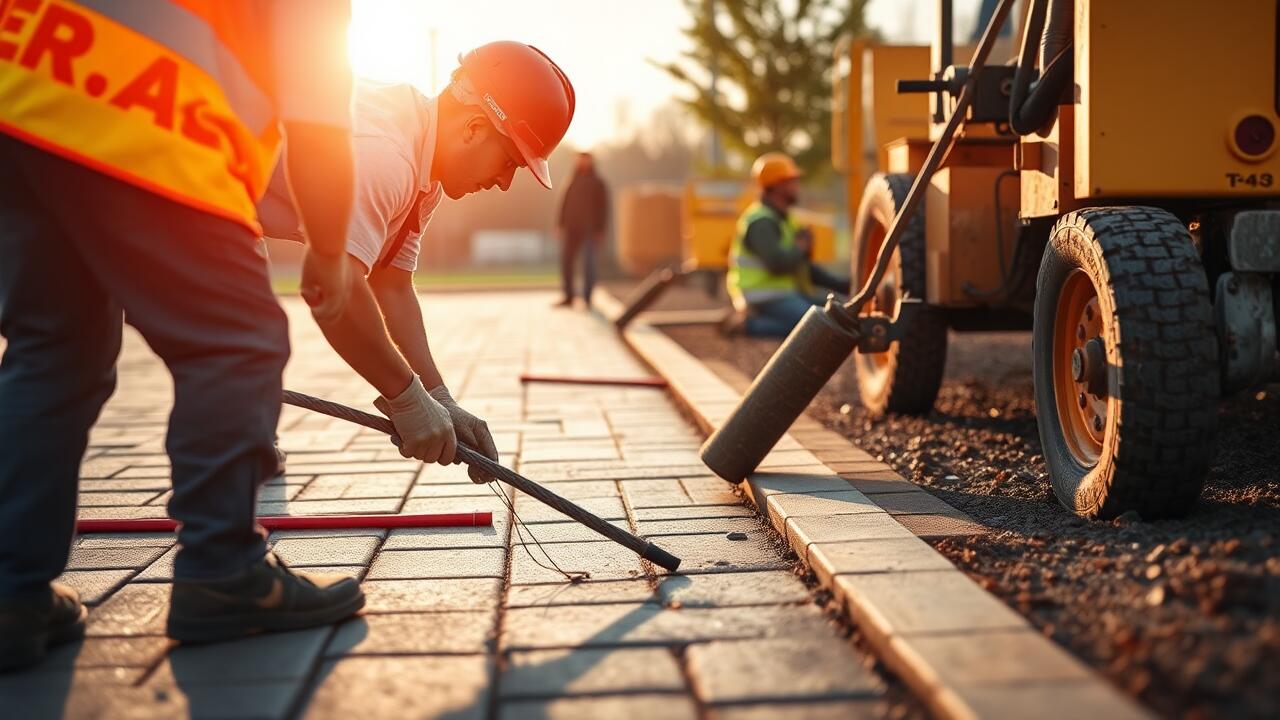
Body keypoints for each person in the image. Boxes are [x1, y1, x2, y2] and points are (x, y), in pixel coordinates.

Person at [0, 1, 364, 670]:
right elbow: (316, 124)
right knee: (238, 342)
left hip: (22, 86)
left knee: (53, 350)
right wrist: (331, 248)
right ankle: (224, 573)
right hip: (142, 99)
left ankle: (8, 594)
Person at [258, 42, 575, 477]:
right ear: (473, 128)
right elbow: (336, 293)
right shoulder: (387, 156)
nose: (504, 183)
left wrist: (439, 397)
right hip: (178, 177)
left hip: (222, 200)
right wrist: (405, 397)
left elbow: (391, 284)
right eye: (511, 162)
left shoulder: (425, 176)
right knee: (245, 327)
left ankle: (242, 446)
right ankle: (229, 487)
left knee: (248, 330)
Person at [726, 152, 850, 337]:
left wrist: (843, 285)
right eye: (792, 181)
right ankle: (747, 325)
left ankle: (756, 322)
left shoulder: (787, 220)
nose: (796, 186)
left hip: (785, 293)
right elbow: (777, 264)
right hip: (761, 296)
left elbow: (803, 268)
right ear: (777, 184)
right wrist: (800, 248)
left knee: (838, 314)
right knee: (813, 326)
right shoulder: (761, 222)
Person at [554, 152, 610, 309]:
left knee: (588, 263)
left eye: (585, 160)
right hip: (571, 228)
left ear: (591, 162)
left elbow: (603, 208)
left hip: (589, 229)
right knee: (566, 262)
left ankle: (587, 297)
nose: (582, 163)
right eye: (580, 160)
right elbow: (563, 204)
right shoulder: (571, 181)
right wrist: (559, 224)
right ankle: (569, 296)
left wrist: (601, 229)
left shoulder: (598, 183)